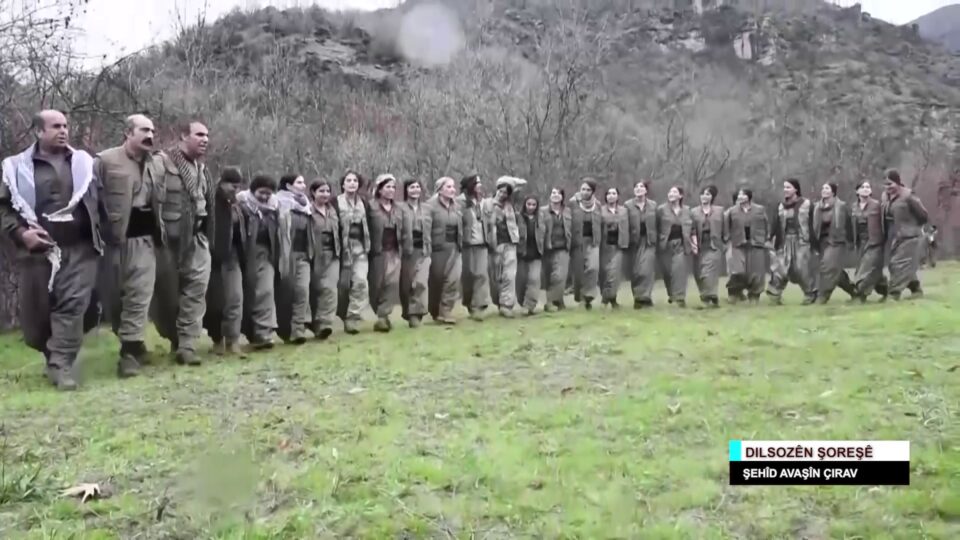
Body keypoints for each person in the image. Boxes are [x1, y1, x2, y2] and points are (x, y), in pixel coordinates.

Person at [0, 110, 102, 390]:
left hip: (79, 249)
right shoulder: (15, 167)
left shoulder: (84, 162)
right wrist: (22, 234)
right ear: (38, 131)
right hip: (38, 254)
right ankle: (53, 353)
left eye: (66, 126)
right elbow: (3, 209)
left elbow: (101, 202)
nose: (63, 131)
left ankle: (61, 365)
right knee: (37, 321)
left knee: (73, 305)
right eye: (56, 126)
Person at [94, 114, 164, 378]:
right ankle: (132, 341)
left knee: (140, 293)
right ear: (128, 133)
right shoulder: (104, 161)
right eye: (144, 130)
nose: (150, 135)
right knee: (114, 300)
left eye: (153, 131)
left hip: (144, 239)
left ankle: (129, 352)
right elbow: (90, 199)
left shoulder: (156, 164)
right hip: (112, 242)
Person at [151, 119, 213, 366]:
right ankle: (174, 337)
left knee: (196, 292)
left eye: (207, 135)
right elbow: (151, 199)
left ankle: (187, 345)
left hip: (196, 239)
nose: (205, 139)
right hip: (167, 242)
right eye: (199, 134)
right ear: (183, 136)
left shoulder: (202, 170)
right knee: (167, 297)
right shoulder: (161, 163)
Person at [205, 167, 246, 356]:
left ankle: (233, 340)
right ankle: (217, 339)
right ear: (222, 183)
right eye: (232, 186)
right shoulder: (210, 201)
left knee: (235, 298)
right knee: (215, 303)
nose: (235, 190)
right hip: (213, 257)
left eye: (238, 186)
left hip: (233, 257)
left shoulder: (236, 204)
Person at [237, 175, 280, 349]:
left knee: (266, 291)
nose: (264, 197)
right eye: (261, 192)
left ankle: (264, 332)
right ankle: (250, 332)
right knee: (247, 295)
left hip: (266, 254)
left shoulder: (274, 208)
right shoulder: (242, 205)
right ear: (253, 190)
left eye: (268, 193)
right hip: (245, 254)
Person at [275, 174, 313, 343]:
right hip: (285, 255)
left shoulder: (306, 205)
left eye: (304, 182)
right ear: (289, 185)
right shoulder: (278, 202)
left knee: (302, 291)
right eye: (299, 182)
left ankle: (298, 329)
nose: (303, 185)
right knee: (287, 293)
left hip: (303, 254)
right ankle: (284, 329)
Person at [768, 179, 816, 305]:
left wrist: (815, 243)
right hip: (784, 242)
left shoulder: (807, 204)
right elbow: (775, 224)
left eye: (788, 187)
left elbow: (813, 224)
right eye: (784, 187)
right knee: (780, 268)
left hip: (802, 242)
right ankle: (774, 295)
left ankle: (810, 294)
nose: (785, 190)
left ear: (796, 189)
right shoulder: (780, 206)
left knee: (802, 268)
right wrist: (769, 237)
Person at [882, 169, 928, 300]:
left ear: (897, 182)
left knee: (898, 263)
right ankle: (916, 289)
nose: (888, 187)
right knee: (896, 264)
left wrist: (913, 226)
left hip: (911, 236)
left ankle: (893, 294)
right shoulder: (885, 197)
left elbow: (923, 215)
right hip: (896, 236)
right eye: (885, 184)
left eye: (890, 184)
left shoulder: (908, 195)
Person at [367, 173, 404, 332]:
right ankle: (379, 311)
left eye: (393, 187)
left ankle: (383, 315)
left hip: (394, 250)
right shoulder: (370, 206)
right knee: (377, 285)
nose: (391, 190)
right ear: (380, 189)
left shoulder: (398, 208)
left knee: (393, 283)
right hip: (377, 251)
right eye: (387, 187)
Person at [336, 170, 371, 334]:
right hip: (340, 249)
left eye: (355, 180)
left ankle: (353, 317)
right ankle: (342, 315)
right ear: (343, 184)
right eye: (348, 180)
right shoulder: (335, 202)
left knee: (361, 283)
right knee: (342, 286)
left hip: (360, 248)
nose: (352, 183)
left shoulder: (364, 202)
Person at [487, 176, 525, 318]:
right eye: (500, 191)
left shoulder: (510, 204)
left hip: (510, 242)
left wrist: (511, 183)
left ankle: (506, 305)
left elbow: (522, 184)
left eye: (506, 192)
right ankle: (498, 301)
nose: (502, 194)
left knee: (509, 274)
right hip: (494, 244)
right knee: (496, 276)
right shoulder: (488, 204)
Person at [724, 188, 769, 304]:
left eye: (743, 194)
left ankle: (754, 295)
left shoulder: (759, 209)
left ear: (749, 196)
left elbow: (766, 224)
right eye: (739, 195)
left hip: (756, 243)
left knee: (756, 272)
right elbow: (726, 226)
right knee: (737, 270)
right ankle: (734, 292)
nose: (740, 197)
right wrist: (727, 240)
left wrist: (766, 238)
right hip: (738, 243)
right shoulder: (732, 211)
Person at [427, 176, 462, 324]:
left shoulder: (456, 206)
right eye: (448, 187)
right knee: (436, 281)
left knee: (453, 280)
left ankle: (446, 310)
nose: (452, 189)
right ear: (439, 189)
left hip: (454, 246)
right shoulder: (430, 206)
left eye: (453, 186)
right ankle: (435, 311)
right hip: (437, 249)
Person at [811, 182, 853, 304]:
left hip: (836, 241)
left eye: (827, 188)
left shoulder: (841, 206)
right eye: (823, 188)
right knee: (835, 271)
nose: (824, 190)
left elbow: (848, 224)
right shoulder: (817, 207)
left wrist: (850, 241)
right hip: (821, 242)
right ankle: (854, 291)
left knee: (827, 267)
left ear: (833, 192)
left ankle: (823, 295)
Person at [308, 179, 340, 339]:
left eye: (328, 191)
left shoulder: (333, 210)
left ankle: (324, 323)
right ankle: (313, 323)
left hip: (333, 254)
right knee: (315, 290)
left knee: (330, 289)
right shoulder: (307, 210)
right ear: (313, 192)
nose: (325, 194)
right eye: (321, 191)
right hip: (314, 255)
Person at [848, 180, 888, 302]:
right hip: (861, 243)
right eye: (862, 187)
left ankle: (861, 294)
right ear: (857, 191)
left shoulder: (877, 205)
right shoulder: (854, 207)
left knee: (865, 270)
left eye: (868, 187)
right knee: (874, 271)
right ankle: (887, 291)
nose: (866, 189)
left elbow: (885, 223)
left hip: (874, 243)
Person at [657, 186, 697, 307]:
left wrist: (694, 244)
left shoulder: (687, 211)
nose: (671, 194)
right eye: (670, 192)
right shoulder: (661, 210)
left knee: (679, 271)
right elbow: (655, 226)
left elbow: (693, 230)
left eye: (674, 192)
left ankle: (680, 298)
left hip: (681, 244)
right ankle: (672, 294)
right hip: (665, 245)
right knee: (668, 273)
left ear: (681, 196)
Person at [399, 179, 431, 328]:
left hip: (423, 250)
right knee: (407, 285)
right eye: (412, 187)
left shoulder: (427, 208)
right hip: (407, 251)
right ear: (406, 190)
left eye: (418, 187)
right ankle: (408, 312)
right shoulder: (400, 208)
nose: (415, 189)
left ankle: (416, 314)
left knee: (420, 282)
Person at [459, 174, 491, 321]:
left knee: (481, 275)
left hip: (482, 242)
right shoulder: (460, 202)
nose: (480, 185)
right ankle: (470, 304)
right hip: (467, 244)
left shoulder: (483, 202)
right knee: (469, 276)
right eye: (477, 183)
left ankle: (479, 305)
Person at [570, 178, 601, 310]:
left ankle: (588, 296)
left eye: (588, 190)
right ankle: (581, 298)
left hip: (592, 240)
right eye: (583, 189)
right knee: (579, 272)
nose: (585, 192)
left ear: (593, 191)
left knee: (593, 268)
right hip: (577, 241)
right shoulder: (573, 203)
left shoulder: (597, 205)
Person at [626, 180, 657, 309]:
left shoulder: (653, 205)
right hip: (634, 242)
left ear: (646, 190)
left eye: (641, 186)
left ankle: (646, 296)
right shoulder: (628, 205)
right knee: (637, 271)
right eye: (636, 187)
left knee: (647, 270)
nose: (639, 188)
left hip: (649, 241)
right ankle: (638, 298)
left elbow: (658, 222)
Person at [691, 185, 723, 308]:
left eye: (708, 194)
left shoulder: (719, 211)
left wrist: (724, 242)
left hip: (714, 245)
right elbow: (691, 229)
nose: (704, 196)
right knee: (699, 273)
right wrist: (693, 243)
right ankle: (709, 296)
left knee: (708, 272)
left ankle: (708, 297)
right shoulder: (693, 212)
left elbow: (725, 229)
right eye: (703, 194)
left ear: (712, 197)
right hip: (699, 245)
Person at [540, 187, 571, 312]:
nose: (555, 195)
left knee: (559, 276)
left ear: (562, 197)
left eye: (558, 193)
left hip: (563, 247)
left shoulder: (567, 211)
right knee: (549, 277)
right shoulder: (542, 211)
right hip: (547, 248)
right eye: (553, 192)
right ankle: (558, 301)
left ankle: (550, 302)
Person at [599, 187, 629, 308]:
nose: (611, 196)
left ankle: (607, 300)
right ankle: (610, 299)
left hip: (618, 245)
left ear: (618, 196)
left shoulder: (624, 211)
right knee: (605, 274)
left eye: (614, 193)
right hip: (605, 246)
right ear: (605, 196)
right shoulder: (600, 210)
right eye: (609, 194)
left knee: (614, 274)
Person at [516, 195, 543, 316]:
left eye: (534, 205)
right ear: (524, 205)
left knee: (534, 279)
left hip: (536, 253)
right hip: (522, 253)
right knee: (521, 282)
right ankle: (522, 302)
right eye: (529, 204)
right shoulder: (518, 217)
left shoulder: (541, 218)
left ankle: (529, 305)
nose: (531, 207)